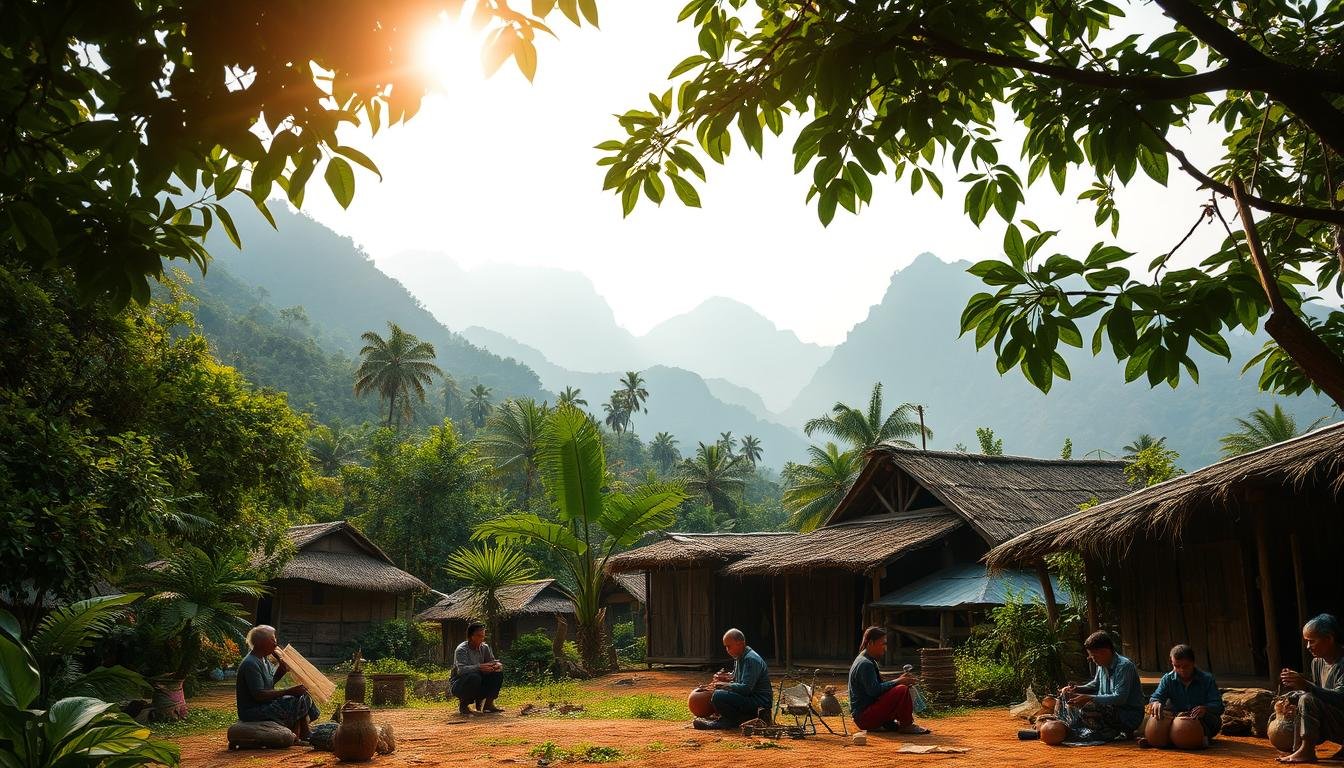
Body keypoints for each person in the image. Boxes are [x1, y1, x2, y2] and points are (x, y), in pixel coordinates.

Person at [1277, 614, 1344, 764]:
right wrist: (1297, 690)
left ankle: (1307, 750)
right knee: (1303, 698)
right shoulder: (1317, 663)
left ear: (1329, 639)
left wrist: (1306, 686)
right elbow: (1320, 695)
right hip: (1338, 719)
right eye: (1306, 642)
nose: (1308, 647)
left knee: (1308, 699)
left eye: (1311, 641)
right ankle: (1299, 748)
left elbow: (1340, 698)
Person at [235, 625, 320, 742]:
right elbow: (259, 695)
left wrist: (281, 665)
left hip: (265, 703)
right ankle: (304, 733)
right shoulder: (251, 664)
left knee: (302, 694)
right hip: (253, 710)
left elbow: (270, 683)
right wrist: (288, 691)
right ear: (260, 643)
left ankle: (302, 732)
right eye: (272, 640)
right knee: (295, 699)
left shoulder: (264, 659)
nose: (275, 644)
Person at [1058, 630, 1144, 741]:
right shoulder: (1101, 664)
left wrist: (1089, 698)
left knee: (1088, 707)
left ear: (1105, 652)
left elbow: (1120, 698)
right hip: (1107, 710)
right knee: (1065, 697)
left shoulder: (1124, 666)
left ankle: (1108, 733)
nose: (1092, 660)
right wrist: (1076, 689)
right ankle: (1067, 728)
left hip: (1127, 715)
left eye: (1094, 656)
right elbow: (1095, 684)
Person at [847, 627, 930, 734]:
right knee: (901, 690)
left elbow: (877, 687)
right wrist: (898, 681)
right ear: (871, 643)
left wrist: (899, 680)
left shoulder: (865, 659)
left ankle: (888, 723)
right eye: (883, 644)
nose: (885, 649)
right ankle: (907, 725)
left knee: (899, 688)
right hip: (864, 718)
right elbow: (874, 691)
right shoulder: (865, 664)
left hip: (864, 715)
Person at [1141, 644, 1224, 747]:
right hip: (1174, 719)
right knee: (1156, 720)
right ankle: (1167, 739)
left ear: (1193, 663)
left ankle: (1173, 740)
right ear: (1172, 663)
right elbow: (1156, 696)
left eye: (1186, 666)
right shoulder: (1167, 679)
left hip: (1201, 720)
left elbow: (1219, 705)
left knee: (1184, 727)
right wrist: (1156, 702)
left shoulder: (1207, 679)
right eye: (1177, 666)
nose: (1181, 670)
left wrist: (1206, 709)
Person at [692, 628, 772, 730]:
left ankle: (729, 722)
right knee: (719, 691)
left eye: (729, 646)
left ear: (740, 643)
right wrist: (724, 678)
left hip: (759, 703)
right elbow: (735, 678)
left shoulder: (751, 659)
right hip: (749, 698)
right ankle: (739, 718)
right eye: (726, 647)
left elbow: (746, 689)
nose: (727, 650)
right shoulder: (739, 657)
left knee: (718, 696)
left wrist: (722, 685)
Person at [451, 623, 504, 716]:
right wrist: (479, 667)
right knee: (474, 677)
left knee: (497, 674)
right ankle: (464, 705)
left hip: (479, 680)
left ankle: (488, 705)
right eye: (479, 636)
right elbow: (461, 670)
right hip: (460, 683)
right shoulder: (462, 650)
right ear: (471, 636)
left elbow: (492, 662)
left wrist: (496, 666)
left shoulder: (485, 647)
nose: (482, 639)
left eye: (483, 636)